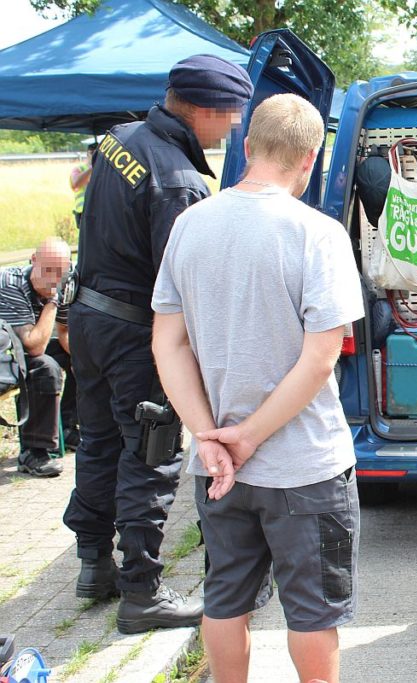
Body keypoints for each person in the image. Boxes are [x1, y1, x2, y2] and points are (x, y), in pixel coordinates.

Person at [152, 93, 364, 683]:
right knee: (313, 612)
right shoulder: (317, 233)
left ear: (246, 149)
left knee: (225, 600)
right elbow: (321, 359)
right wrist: (247, 436)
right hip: (305, 467)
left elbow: (167, 345)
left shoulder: (188, 226)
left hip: (219, 469)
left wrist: (210, 436)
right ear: (311, 157)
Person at [61, 54, 253, 633]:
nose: (237, 126)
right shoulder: (178, 183)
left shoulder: (119, 139)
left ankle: (93, 564)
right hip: (134, 334)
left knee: (96, 442)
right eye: (233, 114)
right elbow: (184, 288)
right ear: (203, 110)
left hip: (89, 320)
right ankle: (142, 591)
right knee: (152, 452)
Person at [0, 238, 74, 477]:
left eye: (60, 273)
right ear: (33, 261)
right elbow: (34, 347)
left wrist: (86, 361)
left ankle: (69, 426)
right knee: (45, 367)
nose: (54, 279)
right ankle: (35, 452)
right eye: (48, 270)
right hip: (7, 352)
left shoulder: (66, 279)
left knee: (83, 359)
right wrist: (53, 300)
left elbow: (64, 331)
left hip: (24, 348)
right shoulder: (11, 283)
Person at [70, 143, 97, 229]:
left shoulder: (103, 169)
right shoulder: (79, 169)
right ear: (88, 153)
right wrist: (92, 167)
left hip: (98, 212)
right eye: (93, 153)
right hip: (83, 212)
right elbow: (75, 184)